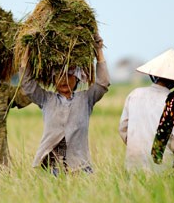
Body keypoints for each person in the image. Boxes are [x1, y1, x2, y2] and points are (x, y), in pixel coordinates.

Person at [20, 35, 110, 176]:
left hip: (80, 166)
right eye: (59, 76)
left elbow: (103, 83)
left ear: (77, 78)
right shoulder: (46, 99)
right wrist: (26, 54)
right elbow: (27, 85)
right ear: (53, 79)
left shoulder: (85, 99)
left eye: (69, 76)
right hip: (50, 168)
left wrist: (98, 51)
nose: (64, 81)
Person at [119, 49, 174, 173]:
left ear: (154, 75)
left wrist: (136, 146)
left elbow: (123, 128)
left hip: (134, 162)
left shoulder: (135, 94)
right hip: (162, 165)